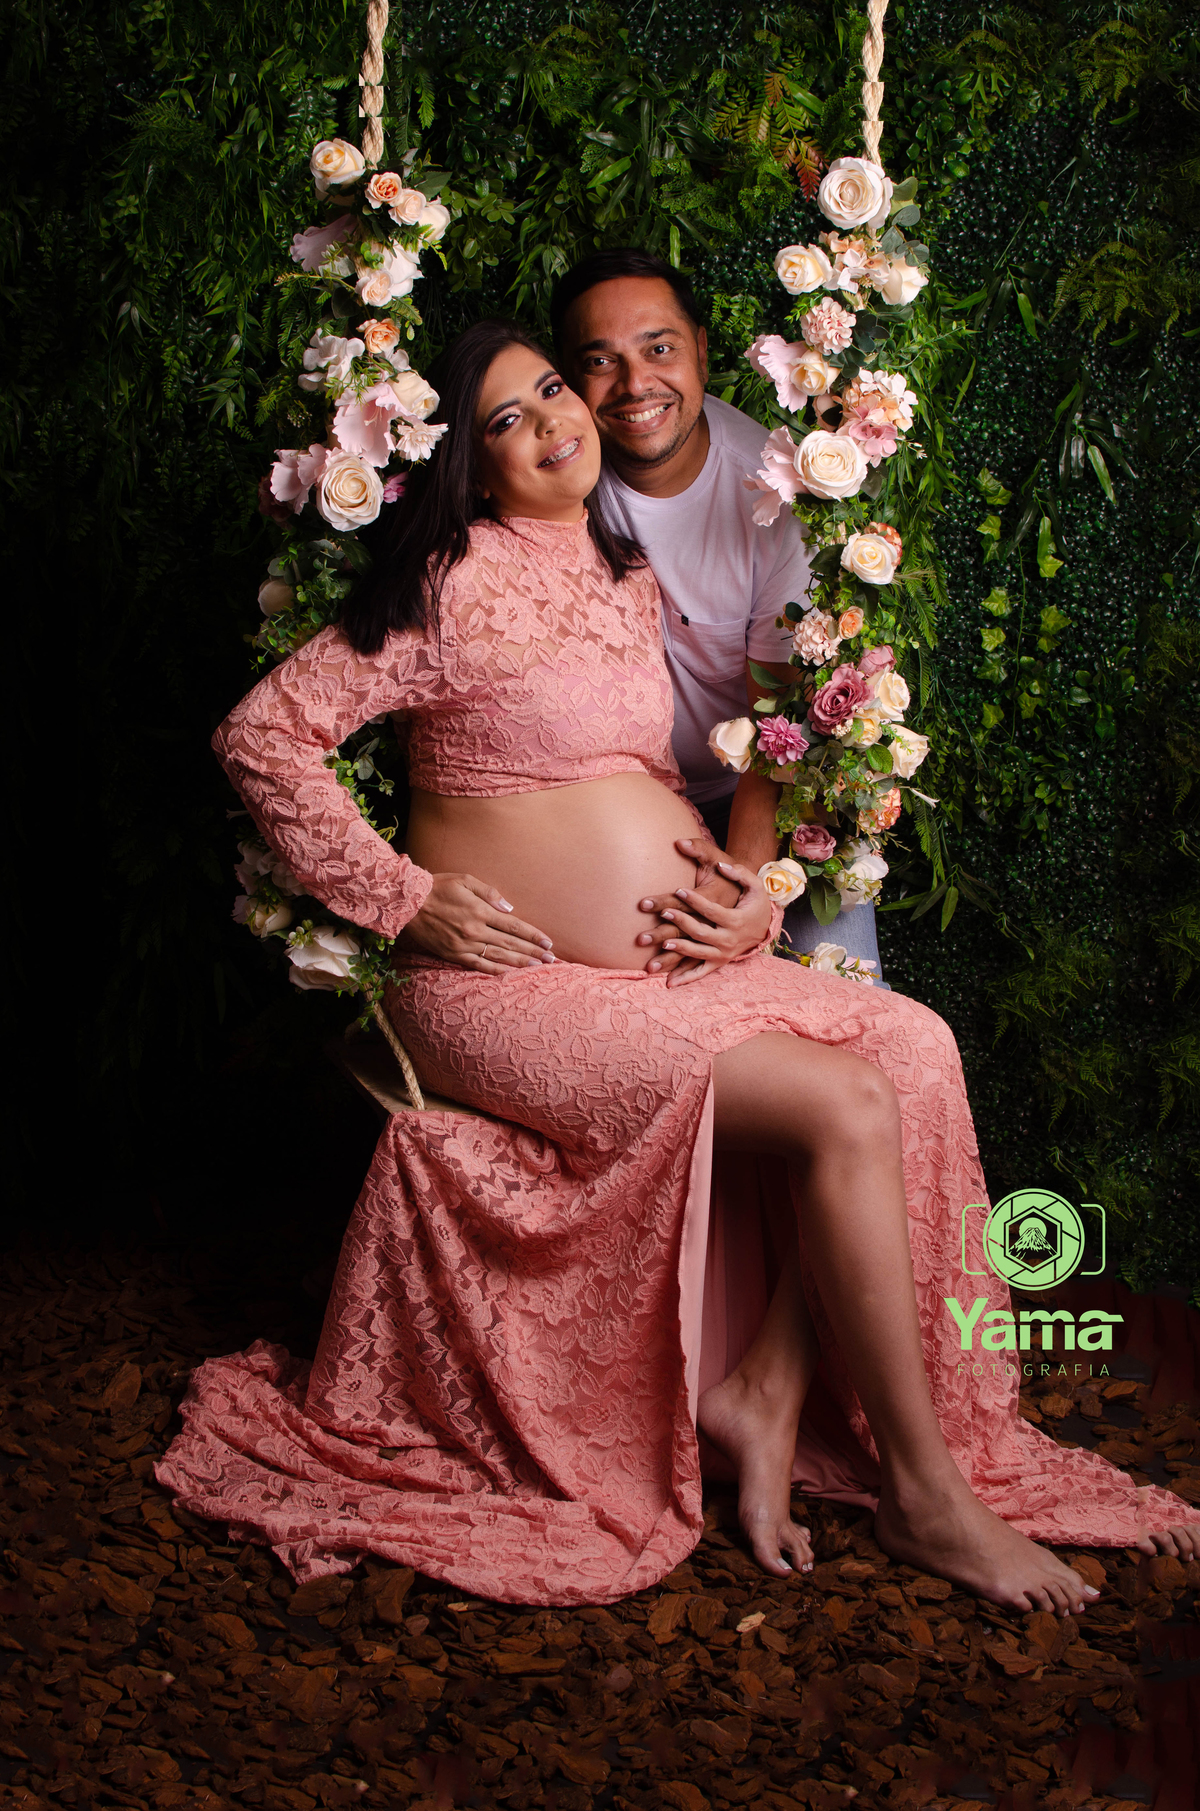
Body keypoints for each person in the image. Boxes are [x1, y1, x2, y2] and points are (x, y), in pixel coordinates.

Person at [156, 320, 1197, 1613]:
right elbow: (263, 736)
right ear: (471, 466)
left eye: (553, 389)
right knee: (843, 1100)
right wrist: (405, 902)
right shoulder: (445, 581)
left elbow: (643, 781)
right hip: (501, 991)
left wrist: (742, 906)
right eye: (507, 418)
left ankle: (768, 1384)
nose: (553, 420)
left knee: (916, 1046)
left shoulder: (624, 575)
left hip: (658, 973)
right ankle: (928, 1495)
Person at [550, 248, 886, 982]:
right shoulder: (551, 477)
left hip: (760, 793)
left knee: (846, 990)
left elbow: (777, 723)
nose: (635, 385)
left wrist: (743, 886)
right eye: (600, 361)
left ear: (701, 350)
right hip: (613, 812)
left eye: (659, 349)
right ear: (568, 380)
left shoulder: (775, 495)